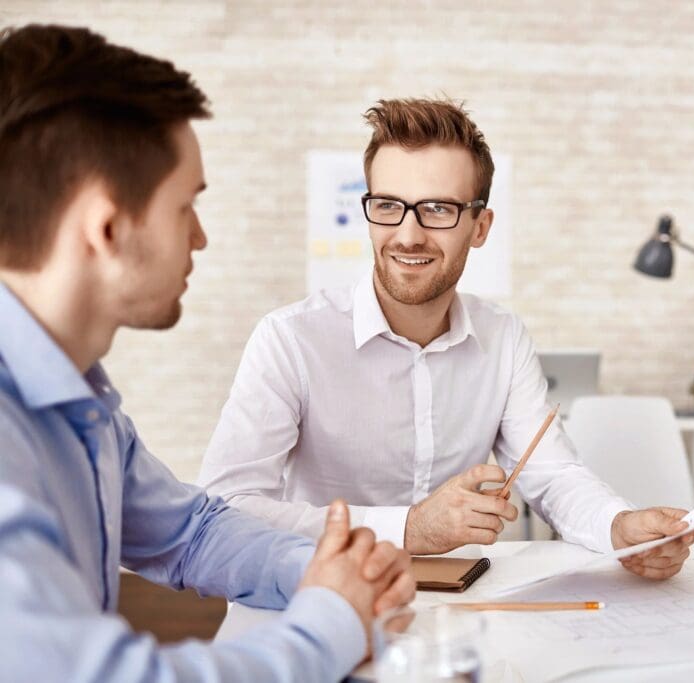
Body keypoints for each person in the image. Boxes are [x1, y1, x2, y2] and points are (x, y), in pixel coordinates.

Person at [0, 25, 414, 682]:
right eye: (185, 207)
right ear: (105, 228)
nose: (201, 237)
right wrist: (332, 617)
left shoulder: (83, 405)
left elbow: (188, 530)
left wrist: (324, 570)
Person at [199, 98, 694, 579]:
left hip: (464, 605)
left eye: (437, 209)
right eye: (389, 206)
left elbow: (552, 475)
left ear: (479, 226)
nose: (409, 235)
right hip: (321, 597)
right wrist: (411, 529)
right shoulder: (289, 340)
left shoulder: (503, 338)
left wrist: (617, 528)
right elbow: (228, 509)